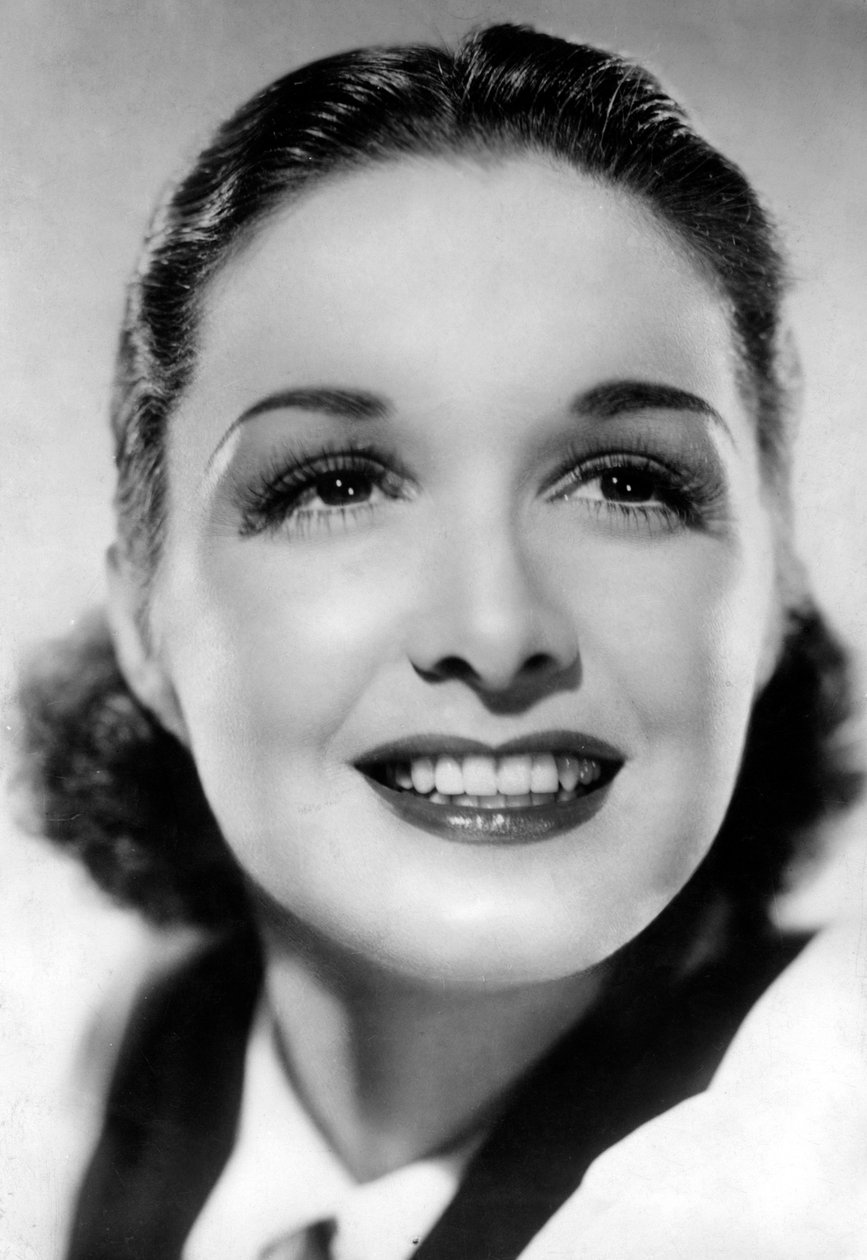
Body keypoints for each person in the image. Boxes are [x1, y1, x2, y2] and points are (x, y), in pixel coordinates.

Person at [16, 21, 865, 1260]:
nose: (496, 629)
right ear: (144, 622)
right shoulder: (100, 1081)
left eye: (627, 482)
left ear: (773, 590)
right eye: (337, 485)